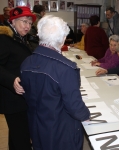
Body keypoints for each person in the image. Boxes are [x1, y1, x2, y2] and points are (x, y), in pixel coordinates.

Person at [20, 15, 90, 150]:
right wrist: (86, 115)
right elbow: (74, 106)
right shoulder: (66, 68)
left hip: (36, 125)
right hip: (61, 131)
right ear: (63, 39)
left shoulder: (26, 63)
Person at [0, 6, 36, 150]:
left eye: (29, 23)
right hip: (12, 99)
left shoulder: (20, 38)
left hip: (21, 97)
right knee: (22, 139)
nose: (27, 26)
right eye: (24, 22)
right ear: (13, 21)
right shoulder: (4, 39)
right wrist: (11, 79)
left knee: (17, 136)